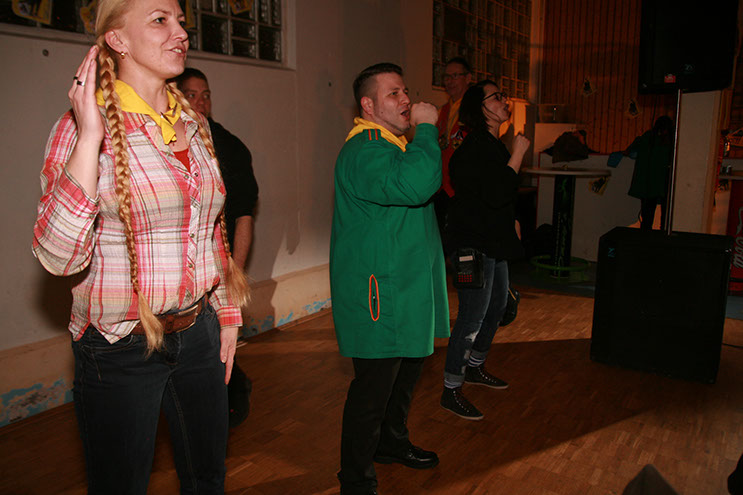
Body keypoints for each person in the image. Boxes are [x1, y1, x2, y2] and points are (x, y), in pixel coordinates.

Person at [31, 0, 249, 493]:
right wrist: (90, 137)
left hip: (199, 332)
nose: (180, 33)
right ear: (117, 39)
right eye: (159, 20)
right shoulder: (79, 128)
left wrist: (227, 313)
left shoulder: (193, 123)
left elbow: (209, 229)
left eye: (180, 22)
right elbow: (58, 258)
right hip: (120, 344)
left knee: (208, 477)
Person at [330, 63, 450, 495]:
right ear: (368, 105)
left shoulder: (391, 146)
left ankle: (391, 443)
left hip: (405, 289)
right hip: (379, 294)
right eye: (393, 93)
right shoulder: (365, 149)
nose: (406, 100)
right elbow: (417, 185)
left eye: (405, 91)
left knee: (405, 377)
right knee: (373, 390)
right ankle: (355, 480)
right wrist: (428, 129)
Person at [440, 80, 530, 420]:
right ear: (481, 108)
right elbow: (496, 193)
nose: (505, 101)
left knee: (497, 307)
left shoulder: (493, 146)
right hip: (469, 246)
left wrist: (512, 220)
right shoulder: (473, 149)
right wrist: (518, 154)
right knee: (472, 315)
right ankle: (451, 389)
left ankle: (475, 367)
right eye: (497, 97)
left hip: (492, 241)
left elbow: (499, 197)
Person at [175, 67, 259, 428]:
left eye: (205, 94)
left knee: (216, 351)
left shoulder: (231, 148)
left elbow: (243, 216)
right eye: (191, 94)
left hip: (214, 275)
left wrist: (231, 275)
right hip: (174, 283)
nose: (200, 102)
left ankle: (230, 399)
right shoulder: (155, 143)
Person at [434, 57, 473, 233]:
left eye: (455, 76)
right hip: (442, 185)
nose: (449, 81)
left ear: (468, 78)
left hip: (464, 186)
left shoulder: (476, 110)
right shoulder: (442, 110)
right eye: (446, 77)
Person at [624, 116, 674, 230]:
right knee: (665, 219)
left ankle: (646, 238)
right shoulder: (670, 141)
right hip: (663, 183)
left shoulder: (648, 137)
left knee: (647, 219)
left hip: (648, 185)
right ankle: (662, 237)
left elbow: (630, 149)